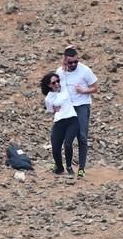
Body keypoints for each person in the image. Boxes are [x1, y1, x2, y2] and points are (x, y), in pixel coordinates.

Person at [56, 46, 98, 178]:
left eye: (76, 61)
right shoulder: (60, 72)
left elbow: (95, 87)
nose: (74, 64)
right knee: (62, 136)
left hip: (81, 105)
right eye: (70, 62)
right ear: (65, 61)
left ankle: (81, 168)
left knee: (82, 136)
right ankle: (60, 163)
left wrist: (84, 91)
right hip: (67, 106)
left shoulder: (85, 70)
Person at [40, 72, 78, 176]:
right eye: (53, 83)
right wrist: (54, 108)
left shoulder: (65, 89)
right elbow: (51, 110)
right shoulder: (49, 98)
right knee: (55, 146)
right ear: (49, 85)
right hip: (59, 122)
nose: (56, 84)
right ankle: (59, 167)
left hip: (72, 120)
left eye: (58, 81)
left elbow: (63, 73)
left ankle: (69, 166)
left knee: (68, 143)